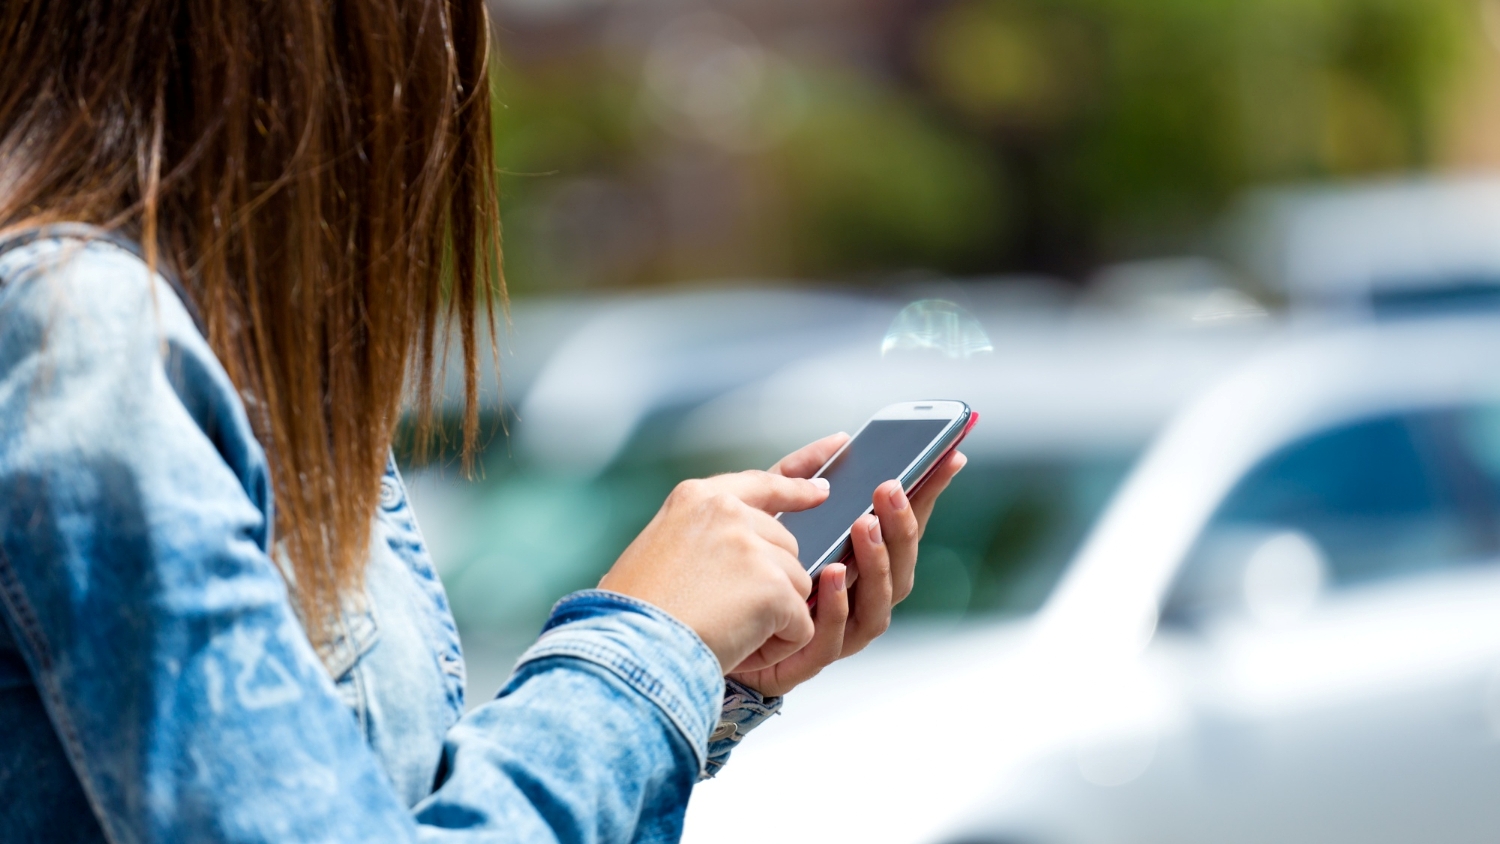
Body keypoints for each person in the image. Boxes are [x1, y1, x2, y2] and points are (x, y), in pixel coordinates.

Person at [0, 2, 965, 841]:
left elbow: (398, 807)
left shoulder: (227, 352)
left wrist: (712, 679)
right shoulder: (87, 334)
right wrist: (649, 641)